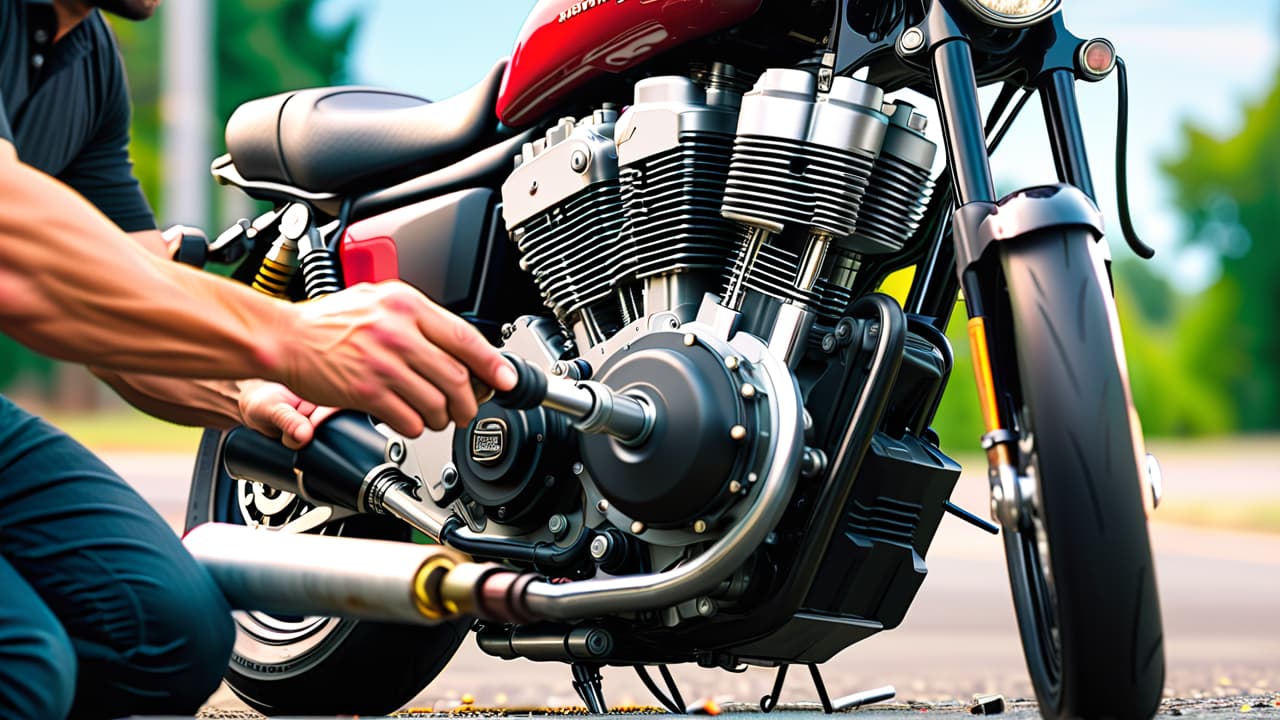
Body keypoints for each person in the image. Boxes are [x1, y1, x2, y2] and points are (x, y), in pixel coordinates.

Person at [0, 1, 515, 717]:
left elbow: (131, 300)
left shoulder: (87, 61)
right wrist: (293, 335)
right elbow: (12, 248)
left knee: (168, 636)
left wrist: (253, 393)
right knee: (23, 664)